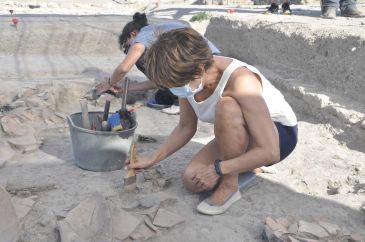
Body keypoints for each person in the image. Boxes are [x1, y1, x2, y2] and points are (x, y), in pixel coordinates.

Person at [126, 28, 298, 215]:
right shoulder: (187, 78)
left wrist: (219, 169)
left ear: (199, 70)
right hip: (239, 131)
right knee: (192, 180)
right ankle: (248, 165)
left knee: (227, 106)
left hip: (278, 137)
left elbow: (270, 152)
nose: (174, 91)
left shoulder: (241, 80)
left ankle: (230, 185)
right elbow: (185, 127)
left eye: (174, 85)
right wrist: (154, 157)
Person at [95, 12, 220, 106]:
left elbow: (124, 68)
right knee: (161, 95)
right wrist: (127, 87)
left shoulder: (142, 35)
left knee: (162, 96)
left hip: (200, 67)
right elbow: (161, 81)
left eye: (126, 46)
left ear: (133, 34)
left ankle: (182, 99)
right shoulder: (160, 29)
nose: (128, 51)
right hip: (213, 61)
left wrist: (110, 83)